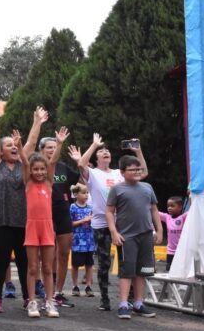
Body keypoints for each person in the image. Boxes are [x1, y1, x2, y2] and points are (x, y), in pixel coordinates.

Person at [73, 133, 148, 312]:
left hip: (123, 224)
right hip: (101, 225)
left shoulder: (118, 173)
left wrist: (138, 152)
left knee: (127, 262)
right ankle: (105, 299)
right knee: (105, 263)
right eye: (101, 151)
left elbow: (142, 172)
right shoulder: (93, 174)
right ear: (97, 157)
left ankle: (129, 298)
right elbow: (81, 164)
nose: (105, 152)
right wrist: (93, 145)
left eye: (107, 150)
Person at [0, 108, 44, 313]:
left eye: (14, 144)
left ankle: (28, 298)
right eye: (8, 145)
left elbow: (31, 143)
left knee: (24, 263)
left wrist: (37, 121)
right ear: (1, 151)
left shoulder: (23, 164)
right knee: (0, 263)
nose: (13, 146)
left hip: (22, 222)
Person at [18, 127, 69, 318]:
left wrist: (60, 143)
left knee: (48, 267)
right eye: (36, 169)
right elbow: (23, 161)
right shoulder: (28, 183)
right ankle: (32, 302)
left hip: (47, 227)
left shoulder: (48, 183)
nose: (39, 172)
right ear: (30, 171)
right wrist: (19, 146)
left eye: (42, 169)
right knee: (33, 268)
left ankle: (49, 301)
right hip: (32, 227)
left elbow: (53, 160)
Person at [106, 155, 163, 319]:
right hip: (126, 237)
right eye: (132, 169)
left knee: (142, 271)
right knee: (127, 271)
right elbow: (109, 212)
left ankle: (139, 303)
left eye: (138, 169)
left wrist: (159, 230)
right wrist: (114, 232)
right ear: (123, 172)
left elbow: (154, 210)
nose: (137, 171)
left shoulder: (147, 187)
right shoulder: (117, 189)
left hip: (145, 235)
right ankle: (123, 304)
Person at [36, 127, 82, 308]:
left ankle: (58, 292)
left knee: (63, 254)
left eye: (55, 147)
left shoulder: (63, 167)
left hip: (63, 213)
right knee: (47, 255)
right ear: (41, 150)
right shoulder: (37, 168)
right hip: (44, 213)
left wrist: (81, 160)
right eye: (49, 147)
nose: (53, 150)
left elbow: (83, 178)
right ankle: (44, 289)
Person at [69, 183, 95, 297]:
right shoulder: (72, 207)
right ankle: (75, 285)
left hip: (90, 241)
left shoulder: (91, 208)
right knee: (75, 265)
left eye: (87, 193)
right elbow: (70, 224)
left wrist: (91, 221)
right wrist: (83, 221)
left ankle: (88, 285)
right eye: (83, 193)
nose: (86, 195)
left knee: (89, 265)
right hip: (77, 242)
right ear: (76, 195)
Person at [159, 196, 188, 271]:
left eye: (172, 206)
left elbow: (193, 210)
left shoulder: (183, 217)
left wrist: (191, 196)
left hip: (181, 251)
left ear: (180, 207)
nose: (169, 208)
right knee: (169, 269)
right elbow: (154, 212)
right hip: (170, 251)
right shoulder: (167, 217)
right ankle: (170, 283)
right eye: (168, 206)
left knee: (180, 270)